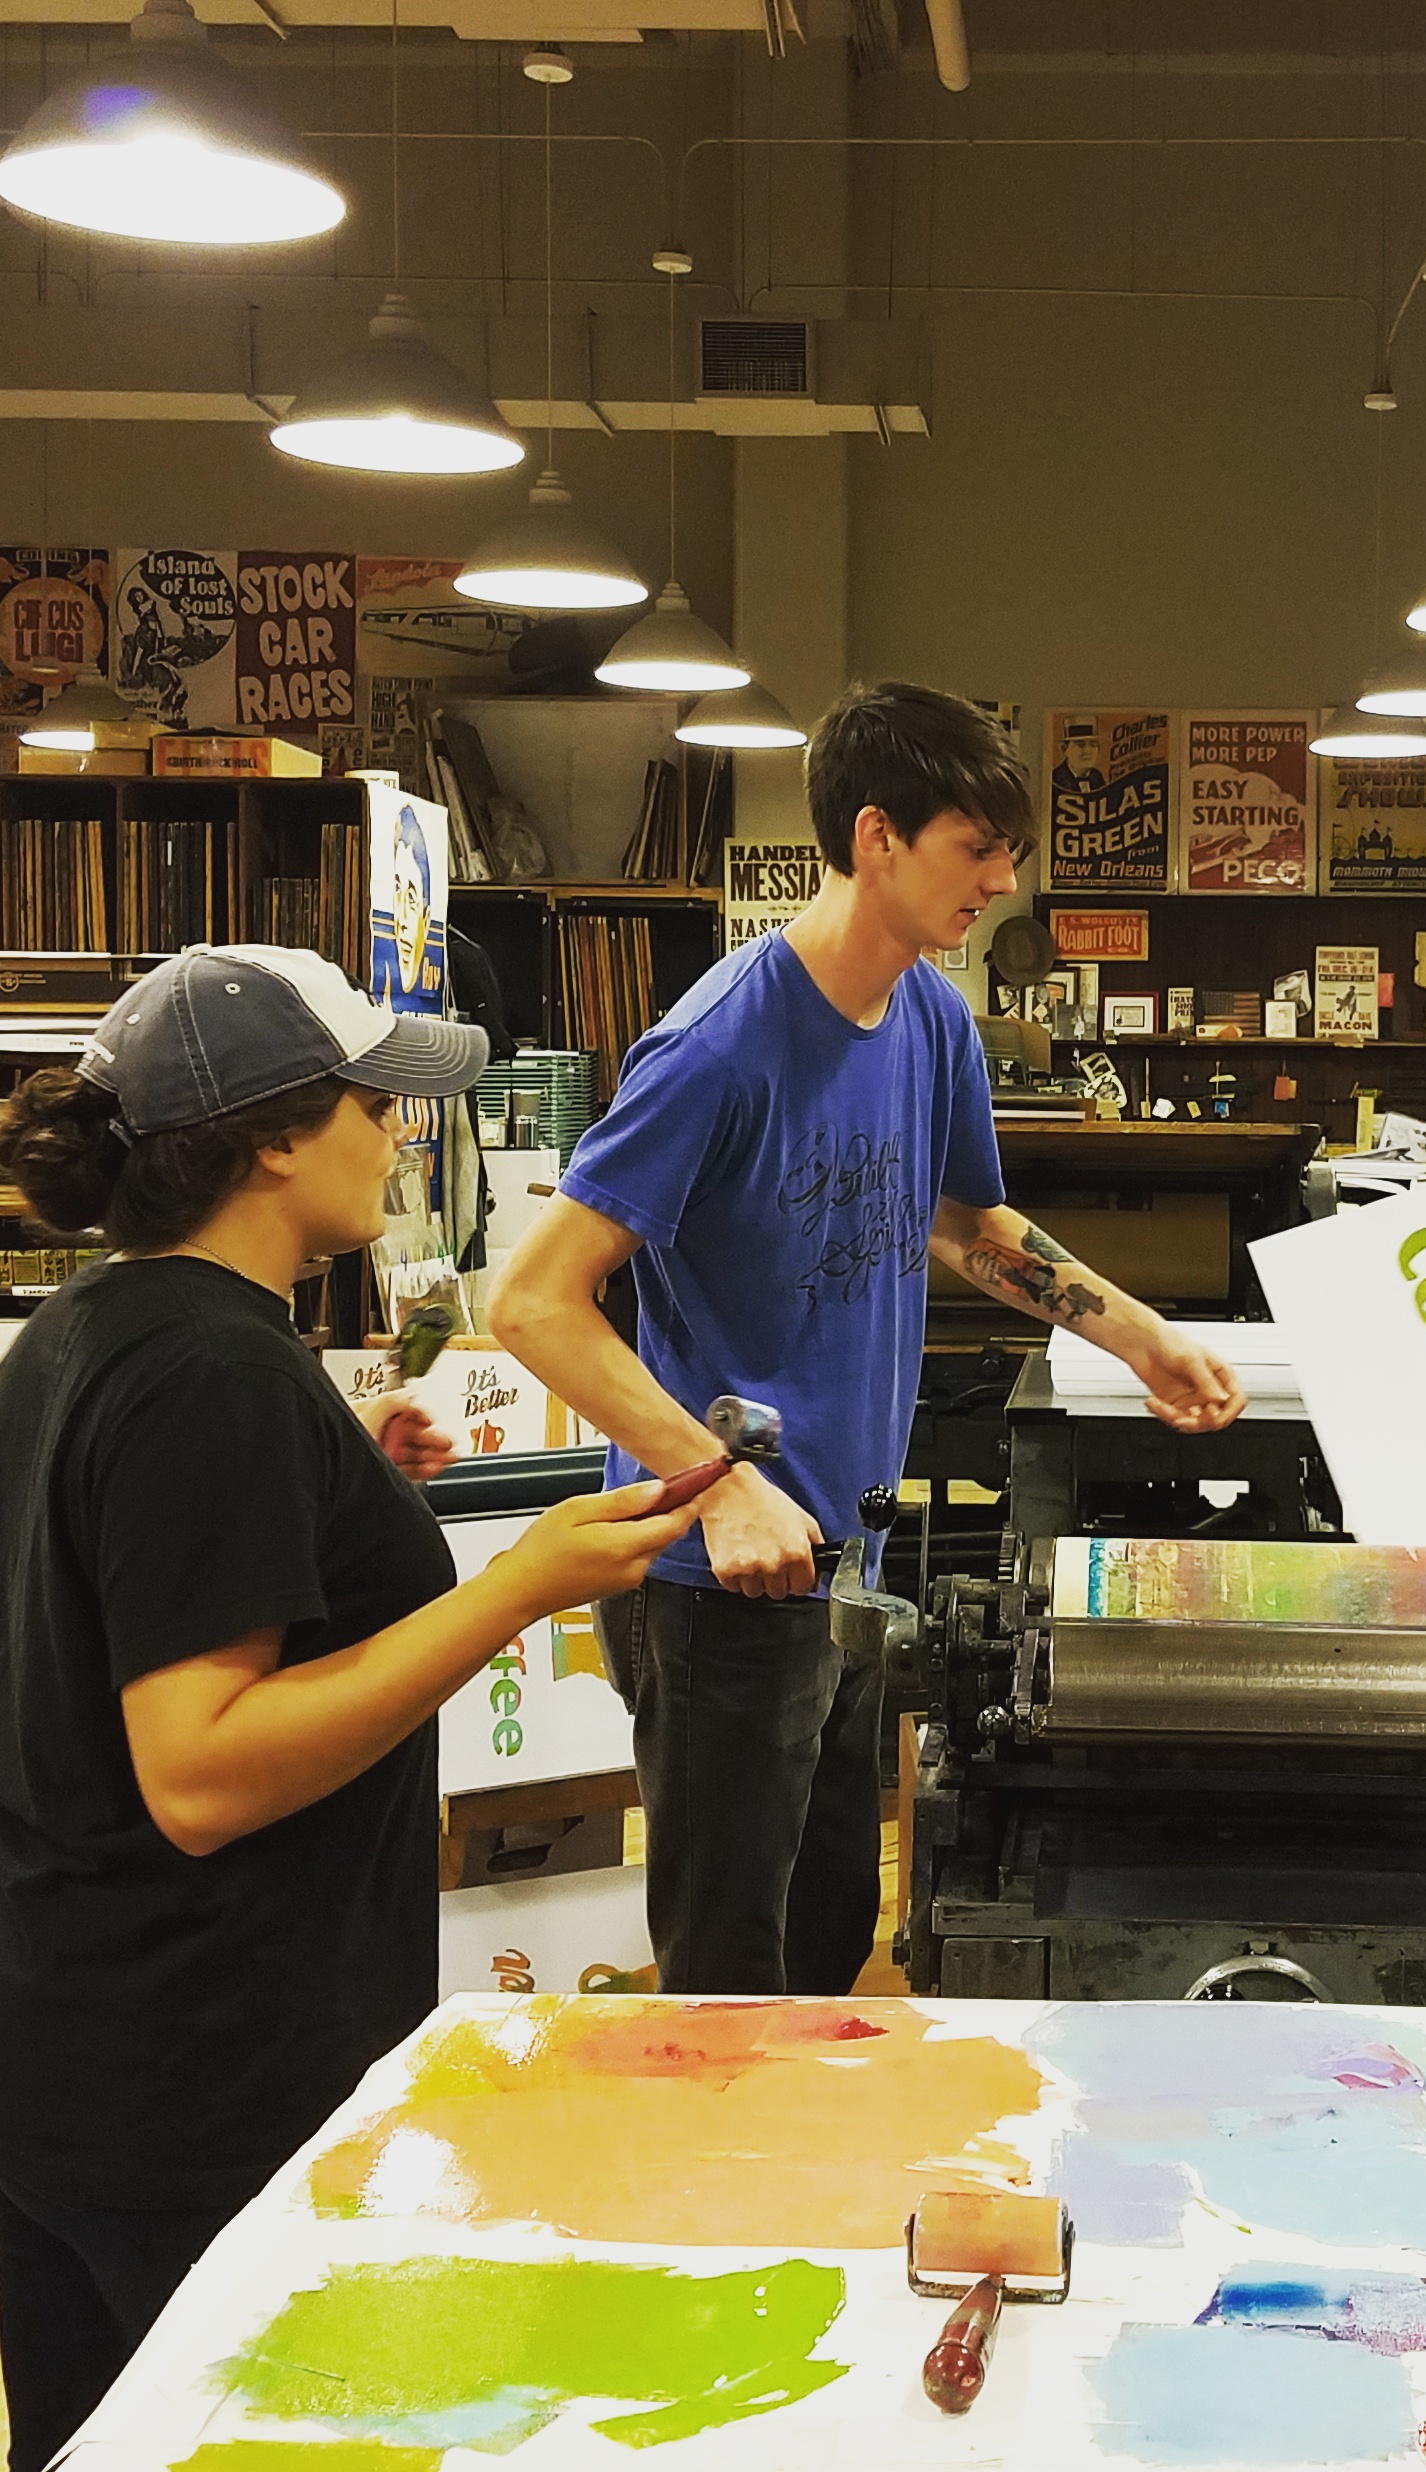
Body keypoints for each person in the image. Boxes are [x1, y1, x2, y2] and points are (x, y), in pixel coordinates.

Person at [0, 945, 695, 2472]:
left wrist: (336, 1496)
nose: (399, 1129)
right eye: (372, 1100)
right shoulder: (212, 1374)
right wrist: (511, 1590)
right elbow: (200, 1773)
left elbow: (110, 1609)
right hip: (207, 2077)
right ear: (269, 1134)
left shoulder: (89, 1334)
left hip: (77, 2053)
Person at [489, 682, 1246, 2001]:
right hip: (715, 1583)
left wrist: (1139, 1338)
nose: (1003, 880)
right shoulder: (715, 1049)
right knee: (730, 1973)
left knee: (833, 1924)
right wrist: (720, 1487)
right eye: (978, 848)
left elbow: (965, 1221)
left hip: (848, 1556)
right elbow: (534, 1303)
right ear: (879, 837)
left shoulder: (930, 1016)